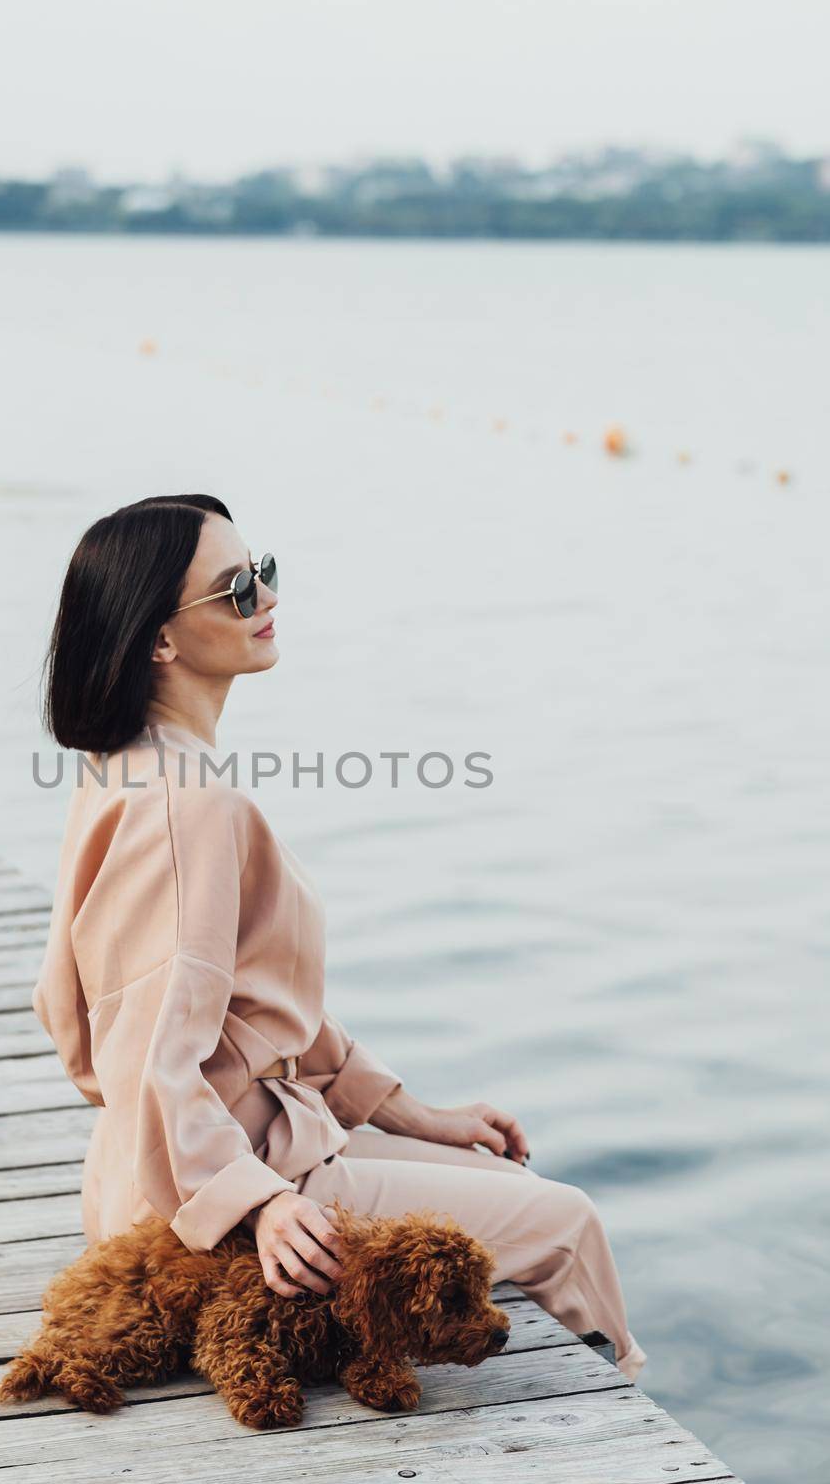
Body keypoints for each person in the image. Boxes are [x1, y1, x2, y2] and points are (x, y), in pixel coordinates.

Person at [32, 492, 647, 1383]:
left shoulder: (137, 767)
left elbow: (250, 1008)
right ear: (159, 640)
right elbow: (143, 1055)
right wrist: (259, 1206)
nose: (266, 598)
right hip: (201, 1186)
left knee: (513, 1192)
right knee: (565, 1225)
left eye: (263, 573)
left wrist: (407, 1112)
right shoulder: (185, 805)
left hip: (200, 1152)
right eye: (235, 590)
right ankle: (619, 1421)